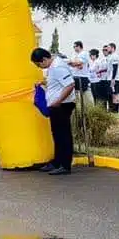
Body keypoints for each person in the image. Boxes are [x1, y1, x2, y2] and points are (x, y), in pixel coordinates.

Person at [31, 47, 76, 175]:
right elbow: (58, 84)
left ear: (44, 59)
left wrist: (58, 101)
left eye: (39, 64)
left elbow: (70, 85)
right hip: (57, 106)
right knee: (57, 134)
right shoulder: (53, 68)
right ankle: (57, 161)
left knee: (63, 135)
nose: (40, 67)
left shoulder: (58, 67)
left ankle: (65, 164)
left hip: (62, 105)